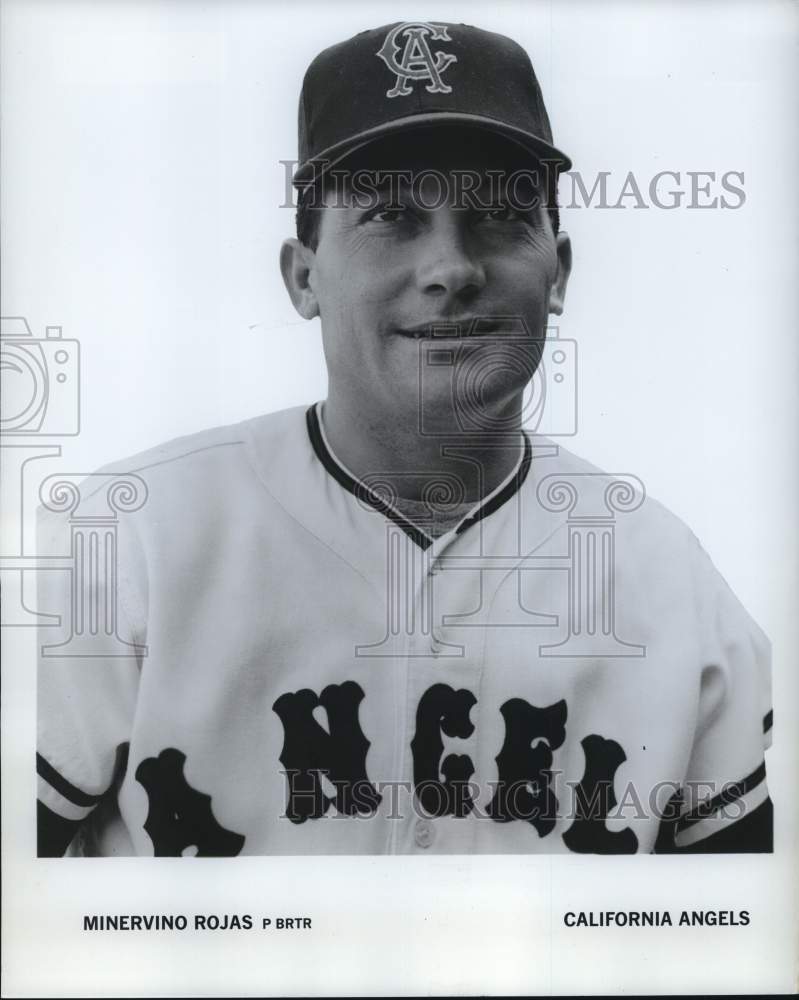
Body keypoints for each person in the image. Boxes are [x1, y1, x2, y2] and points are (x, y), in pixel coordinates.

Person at [36, 21, 772, 857]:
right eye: (391, 216)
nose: (451, 268)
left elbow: (735, 935)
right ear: (303, 276)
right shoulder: (129, 540)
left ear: (557, 271)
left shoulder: (670, 581)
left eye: (497, 218)